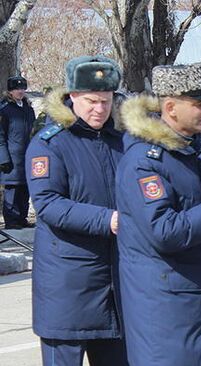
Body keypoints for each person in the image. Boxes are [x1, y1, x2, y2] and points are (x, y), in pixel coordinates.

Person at [115, 61, 201, 365]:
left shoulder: (190, 155)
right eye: (199, 104)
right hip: (165, 309)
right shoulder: (145, 161)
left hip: (196, 298)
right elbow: (165, 231)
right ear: (171, 107)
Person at [26, 56, 128, 365]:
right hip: (68, 285)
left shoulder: (122, 142)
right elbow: (48, 203)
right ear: (72, 97)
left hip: (116, 285)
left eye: (106, 101)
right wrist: (107, 219)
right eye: (92, 101)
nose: (100, 109)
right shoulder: (50, 143)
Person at [0, 76, 35, 229]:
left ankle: (22, 217)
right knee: (12, 188)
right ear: (10, 91)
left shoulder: (28, 108)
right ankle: (11, 220)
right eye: (17, 89)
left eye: (22, 88)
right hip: (11, 156)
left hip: (27, 155)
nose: (20, 91)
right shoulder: (5, 110)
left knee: (25, 188)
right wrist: (3, 158)